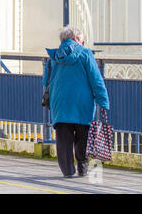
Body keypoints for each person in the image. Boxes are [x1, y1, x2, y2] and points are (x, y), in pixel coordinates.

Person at [42, 26, 109, 178]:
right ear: (77, 40)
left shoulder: (54, 56)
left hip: (60, 102)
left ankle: (67, 170)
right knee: (82, 134)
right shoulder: (85, 54)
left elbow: (45, 81)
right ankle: (82, 166)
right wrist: (103, 102)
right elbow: (96, 80)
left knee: (63, 137)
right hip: (82, 102)